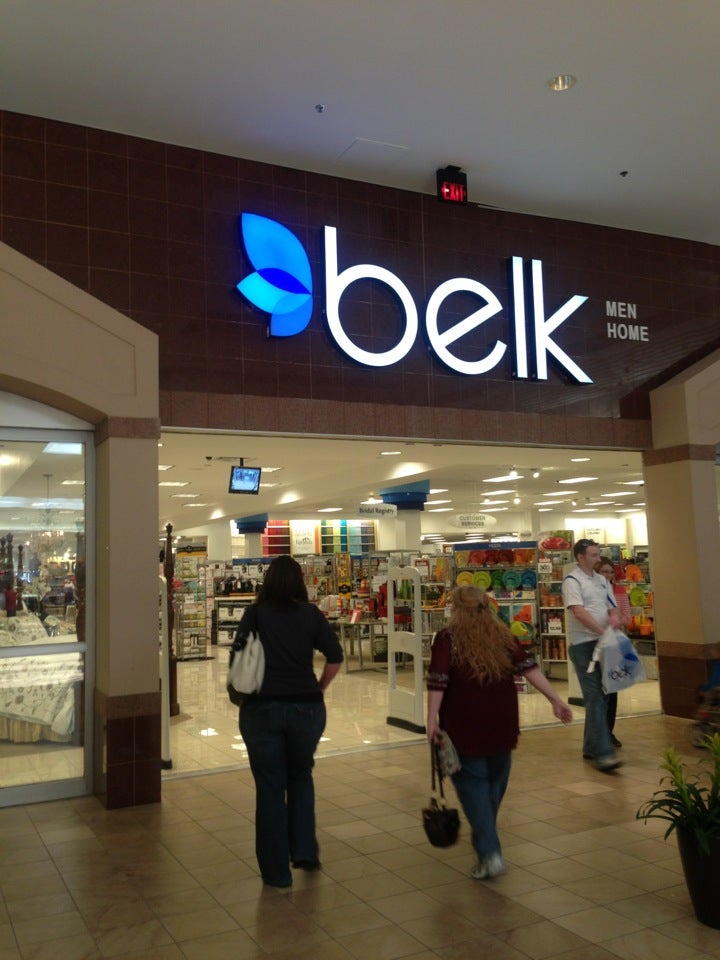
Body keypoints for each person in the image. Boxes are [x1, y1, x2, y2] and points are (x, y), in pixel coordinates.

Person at [426, 585, 572, 881]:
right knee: (494, 785)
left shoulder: (447, 639)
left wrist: (431, 719)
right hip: (503, 722)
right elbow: (529, 668)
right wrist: (555, 700)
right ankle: (486, 839)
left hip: (464, 725)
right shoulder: (503, 636)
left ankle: (490, 852)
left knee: (473, 787)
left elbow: (438, 680)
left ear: (456, 609)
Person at [235, 554, 343, 888]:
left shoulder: (255, 615)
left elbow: (238, 658)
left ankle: (277, 873)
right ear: (299, 581)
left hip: (261, 709)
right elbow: (335, 657)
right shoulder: (310, 614)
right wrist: (319, 688)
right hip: (306, 709)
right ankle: (305, 851)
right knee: (300, 776)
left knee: (270, 788)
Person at [561, 539, 621, 772]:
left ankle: (590, 747)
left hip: (603, 643)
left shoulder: (602, 581)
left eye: (598, 554)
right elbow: (578, 612)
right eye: (593, 555)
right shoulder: (572, 581)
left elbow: (612, 607)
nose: (598, 558)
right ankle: (604, 754)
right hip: (583, 646)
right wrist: (601, 631)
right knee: (595, 697)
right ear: (580, 557)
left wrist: (614, 619)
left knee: (602, 696)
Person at [596, 556, 632, 748]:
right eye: (604, 571)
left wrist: (616, 620)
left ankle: (608, 731)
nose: (608, 575)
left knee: (612, 689)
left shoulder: (619, 591)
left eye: (610, 572)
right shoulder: (592, 591)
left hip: (614, 644)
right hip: (596, 643)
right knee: (598, 691)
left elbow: (627, 618)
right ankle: (599, 733)